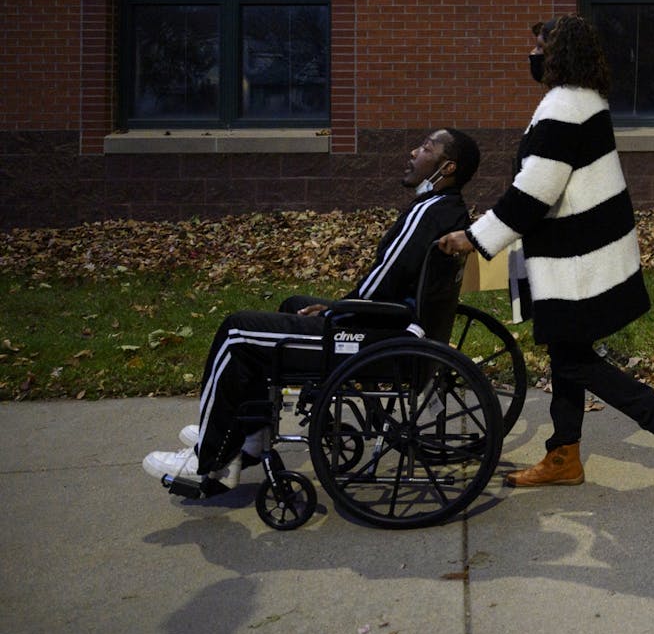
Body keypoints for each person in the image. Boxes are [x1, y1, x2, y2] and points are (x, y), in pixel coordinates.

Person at [438, 15, 654, 490]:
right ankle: (563, 456)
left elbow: (534, 192)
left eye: (540, 47)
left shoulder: (564, 106)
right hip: (584, 251)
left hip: (577, 260)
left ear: (559, 54)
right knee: (567, 352)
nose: (534, 56)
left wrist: (473, 239)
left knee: (573, 360)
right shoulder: (585, 101)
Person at [143, 128, 481, 488]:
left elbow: (383, 280)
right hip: (397, 327)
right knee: (292, 306)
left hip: (378, 337)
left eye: (426, 148)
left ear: (446, 168)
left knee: (237, 331)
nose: (414, 152)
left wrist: (338, 312)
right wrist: (336, 307)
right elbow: (390, 284)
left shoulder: (428, 212)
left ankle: (208, 460)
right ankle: (247, 436)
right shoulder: (449, 211)